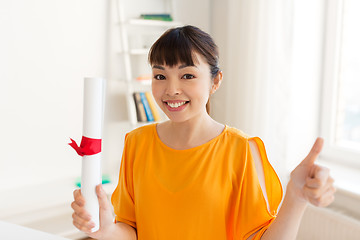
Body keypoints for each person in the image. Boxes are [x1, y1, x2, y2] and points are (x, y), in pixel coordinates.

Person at [71, 25, 335, 240]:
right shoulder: (137, 143)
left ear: (215, 81)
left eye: (187, 76)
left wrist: (296, 197)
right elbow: (132, 233)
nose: (171, 89)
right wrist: (104, 229)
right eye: (160, 76)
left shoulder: (240, 150)